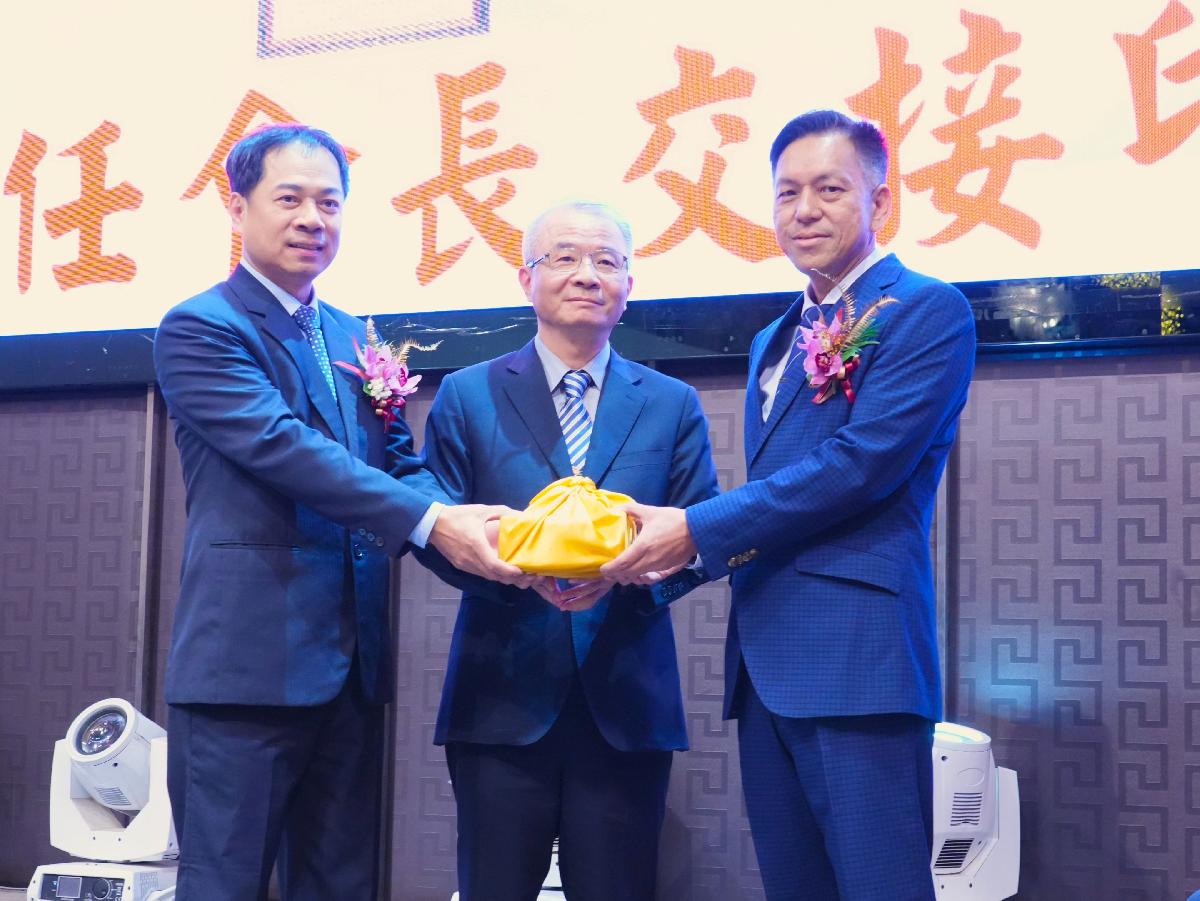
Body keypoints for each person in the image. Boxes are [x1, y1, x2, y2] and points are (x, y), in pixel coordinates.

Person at [602, 110, 977, 900]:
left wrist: (691, 528)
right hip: (764, 664)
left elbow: (858, 467)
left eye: (829, 190)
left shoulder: (926, 309)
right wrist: (641, 564)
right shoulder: (775, 336)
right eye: (786, 193)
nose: (804, 210)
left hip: (860, 662)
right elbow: (773, 509)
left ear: (880, 201)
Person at [153, 123, 524, 901]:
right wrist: (434, 523)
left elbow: (402, 465)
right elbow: (286, 448)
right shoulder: (202, 327)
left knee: (342, 886)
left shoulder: (353, 336)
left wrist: (502, 542)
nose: (311, 219)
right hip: (244, 673)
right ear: (237, 207)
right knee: (223, 885)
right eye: (288, 199)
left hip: (351, 669)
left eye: (329, 202)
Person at [413, 201, 719, 901]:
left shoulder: (672, 402)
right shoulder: (467, 393)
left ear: (628, 286)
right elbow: (432, 530)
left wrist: (635, 574)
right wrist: (508, 570)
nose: (587, 274)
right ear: (526, 279)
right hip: (499, 696)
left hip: (627, 699)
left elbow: (701, 536)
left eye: (607, 261)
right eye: (565, 258)